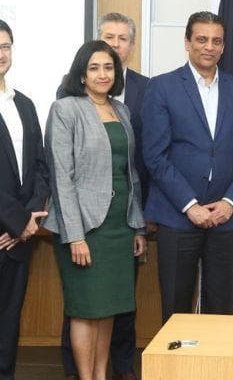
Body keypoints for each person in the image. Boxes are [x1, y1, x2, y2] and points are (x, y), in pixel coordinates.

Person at [142, 11, 233, 322]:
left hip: (224, 219)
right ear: (187, 42)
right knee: (177, 309)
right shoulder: (162, 87)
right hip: (177, 216)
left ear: (223, 46)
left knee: (222, 311)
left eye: (216, 41)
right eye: (202, 39)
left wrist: (230, 203)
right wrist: (190, 205)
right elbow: (155, 156)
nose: (209, 47)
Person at [43, 40, 147, 380]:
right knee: (86, 309)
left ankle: (100, 375)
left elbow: (130, 173)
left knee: (109, 308)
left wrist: (137, 226)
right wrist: (75, 236)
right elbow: (62, 177)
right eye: (94, 68)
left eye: (108, 67)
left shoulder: (122, 111)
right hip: (85, 227)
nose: (102, 74)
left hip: (119, 225)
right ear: (82, 75)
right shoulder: (66, 109)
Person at [0, 20, 50, 380]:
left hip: (19, 238)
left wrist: (29, 220)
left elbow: (40, 167)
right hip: (8, 230)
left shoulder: (25, 105)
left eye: (5, 46)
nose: (0, 54)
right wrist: (17, 222)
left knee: (9, 323)